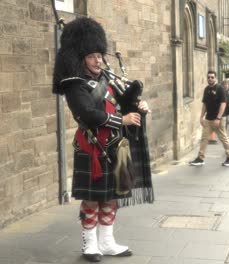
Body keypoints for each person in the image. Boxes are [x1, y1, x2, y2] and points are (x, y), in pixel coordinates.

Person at [52, 17, 154, 262]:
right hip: (92, 147)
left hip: (115, 147)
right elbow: (87, 113)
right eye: (91, 56)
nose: (98, 60)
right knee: (92, 199)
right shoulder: (74, 85)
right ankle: (90, 244)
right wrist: (123, 120)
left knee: (111, 196)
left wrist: (140, 107)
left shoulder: (108, 79)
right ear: (80, 59)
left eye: (99, 55)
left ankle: (107, 242)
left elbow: (126, 105)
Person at [189, 70, 229, 166]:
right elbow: (205, 104)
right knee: (204, 138)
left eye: (212, 77)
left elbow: (223, 104)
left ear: (216, 78)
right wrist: (201, 117)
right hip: (208, 119)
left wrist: (218, 118)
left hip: (219, 119)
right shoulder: (206, 89)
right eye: (209, 77)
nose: (210, 79)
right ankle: (200, 158)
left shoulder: (220, 89)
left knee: (223, 138)